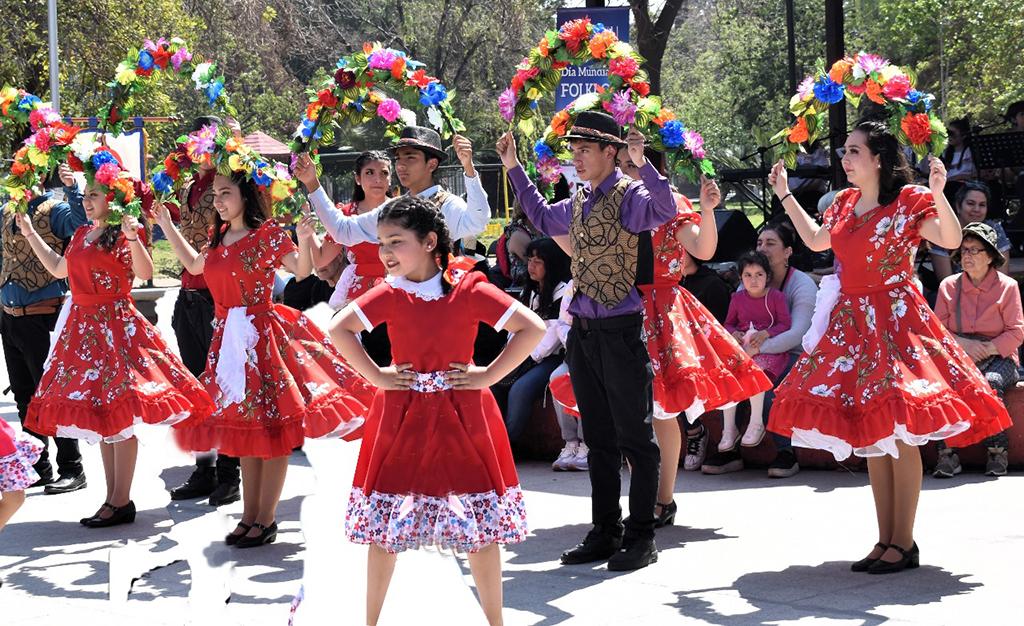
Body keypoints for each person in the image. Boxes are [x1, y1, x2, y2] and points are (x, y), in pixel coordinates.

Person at [766, 118, 1013, 574]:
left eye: (854, 151)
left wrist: (938, 190)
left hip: (898, 321)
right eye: (844, 152)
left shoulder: (909, 200)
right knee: (875, 439)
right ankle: (884, 541)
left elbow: (952, 240)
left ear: (878, 159)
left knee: (899, 432)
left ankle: (904, 541)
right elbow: (818, 240)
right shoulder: (842, 202)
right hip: (853, 322)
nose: (845, 158)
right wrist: (783, 193)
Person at [330, 195, 545, 626]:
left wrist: (487, 376)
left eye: (395, 242)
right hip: (401, 415)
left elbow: (532, 327)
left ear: (430, 242)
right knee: (386, 529)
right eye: (381, 243)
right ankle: (369, 620)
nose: (385, 253)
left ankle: (495, 622)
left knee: (479, 530)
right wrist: (378, 377)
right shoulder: (389, 292)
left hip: (463, 415)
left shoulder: (469, 289)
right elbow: (339, 329)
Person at [157, 126, 374, 548]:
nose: (217, 201)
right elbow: (195, 269)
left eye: (224, 194)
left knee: (270, 431)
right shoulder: (217, 238)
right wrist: (166, 225)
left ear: (245, 196)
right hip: (227, 340)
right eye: (215, 195)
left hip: (261, 339)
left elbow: (302, 270)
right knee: (245, 431)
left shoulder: (268, 234)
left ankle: (265, 517)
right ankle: (249, 516)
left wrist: (307, 239)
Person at [497, 110, 677, 571]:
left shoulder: (631, 193)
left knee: (635, 437)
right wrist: (513, 165)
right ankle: (604, 530)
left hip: (620, 330)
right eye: (573, 150)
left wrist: (644, 164)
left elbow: (665, 210)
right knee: (598, 439)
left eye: (583, 150)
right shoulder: (577, 199)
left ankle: (640, 536)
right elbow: (537, 213)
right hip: (583, 332)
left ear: (609, 152)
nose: (575, 158)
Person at [20, 146, 214, 527]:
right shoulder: (81, 233)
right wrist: (29, 233)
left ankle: (121, 499)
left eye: (94, 194)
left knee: (120, 415)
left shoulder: (123, 232)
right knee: (103, 418)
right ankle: (112, 499)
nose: (87, 200)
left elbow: (142, 271)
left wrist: (132, 237)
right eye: (86, 195)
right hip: (83, 326)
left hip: (114, 328)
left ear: (112, 197)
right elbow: (60, 269)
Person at [615, 146, 770, 526]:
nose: (626, 170)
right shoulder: (610, 204)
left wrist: (706, 209)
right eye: (621, 163)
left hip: (663, 308)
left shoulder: (672, 203)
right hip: (621, 305)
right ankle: (643, 497)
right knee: (630, 414)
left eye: (633, 163)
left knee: (662, 412)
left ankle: (661, 499)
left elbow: (703, 248)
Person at [166, 116, 242, 507]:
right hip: (189, 294)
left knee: (223, 386)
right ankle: (205, 468)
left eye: (208, 141)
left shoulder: (232, 182)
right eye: (194, 141)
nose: (200, 148)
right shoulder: (186, 186)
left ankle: (230, 473)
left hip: (219, 296)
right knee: (197, 387)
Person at [701, 221, 817, 477]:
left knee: (766, 383)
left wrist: (755, 352)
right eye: (760, 243)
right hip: (752, 353)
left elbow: (797, 333)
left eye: (771, 243)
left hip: (795, 354)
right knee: (731, 378)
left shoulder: (801, 284)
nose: (763, 248)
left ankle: (785, 452)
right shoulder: (749, 280)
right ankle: (729, 447)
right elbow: (734, 321)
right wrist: (740, 343)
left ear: (787, 251)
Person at [1, 162, 88, 495]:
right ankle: (39, 466)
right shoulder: (6, 210)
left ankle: (72, 467)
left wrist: (73, 187)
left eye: (22, 172)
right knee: (25, 397)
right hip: (10, 317)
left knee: (53, 394)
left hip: (43, 315)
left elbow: (81, 226)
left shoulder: (55, 209)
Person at [933, 222, 1024, 477]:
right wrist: (964, 345)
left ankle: (998, 452)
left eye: (974, 250)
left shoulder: (1007, 287)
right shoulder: (948, 286)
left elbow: (1017, 332)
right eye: (964, 250)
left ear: (990, 256)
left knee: (989, 382)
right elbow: (936, 330)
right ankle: (947, 454)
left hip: (999, 357)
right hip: (958, 352)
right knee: (946, 384)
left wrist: (985, 348)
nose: (967, 256)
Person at [489, 237, 570, 443]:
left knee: (521, 389)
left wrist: (522, 356)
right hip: (524, 353)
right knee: (492, 384)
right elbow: (516, 327)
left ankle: (507, 443)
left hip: (549, 357)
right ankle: (491, 439)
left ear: (551, 264)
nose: (531, 266)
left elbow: (552, 337)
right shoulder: (531, 290)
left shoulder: (562, 291)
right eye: (530, 260)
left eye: (538, 261)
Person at [721, 251, 792, 450]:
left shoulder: (776, 297)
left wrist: (767, 333)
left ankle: (756, 422)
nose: (753, 280)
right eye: (748, 275)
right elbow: (728, 323)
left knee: (756, 373)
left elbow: (785, 323)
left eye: (759, 274)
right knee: (728, 376)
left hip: (768, 353)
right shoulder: (737, 298)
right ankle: (728, 430)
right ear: (741, 278)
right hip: (744, 348)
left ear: (767, 276)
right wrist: (734, 332)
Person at [677, 249, 733, 470]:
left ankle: (695, 432)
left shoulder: (712, 284)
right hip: (675, 349)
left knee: (681, 373)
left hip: (706, 353)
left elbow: (720, 329)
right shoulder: (668, 282)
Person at [930, 181, 1010, 282]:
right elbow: (945, 282)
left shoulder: (994, 229)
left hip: (991, 292)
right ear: (958, 207)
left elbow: (1002, 278)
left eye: (982, 205)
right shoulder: (944, 230)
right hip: (955, 293)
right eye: (970, 203)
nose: (976, 209)